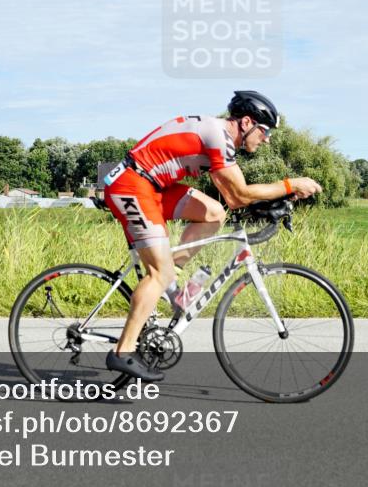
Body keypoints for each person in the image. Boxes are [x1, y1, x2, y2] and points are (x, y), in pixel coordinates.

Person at [102, 91, 323, 381]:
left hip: (152, 185)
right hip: (131, 185)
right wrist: (290, 184)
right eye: (265, 131)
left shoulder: (219, 136)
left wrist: (274, 201)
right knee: (158, 273)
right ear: (246, 123)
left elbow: (230, 200)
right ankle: (123, 352)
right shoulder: (218, 137)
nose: (266, 139)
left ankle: (173, 286)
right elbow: (239, 195)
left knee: (213, 213)